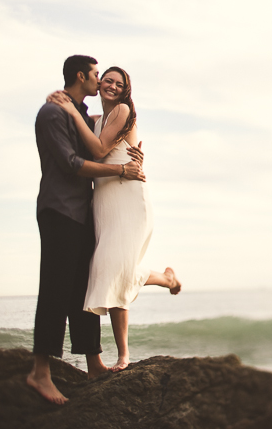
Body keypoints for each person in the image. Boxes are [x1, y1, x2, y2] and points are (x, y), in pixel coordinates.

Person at [27, 55, 146, 405]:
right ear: (81, 76)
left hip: (82, 213)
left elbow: (110, 135)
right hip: (59, 210)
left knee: (83, 288)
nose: (101, 81)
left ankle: (93, 363)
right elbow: (71, 163)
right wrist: (121, 172)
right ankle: (40, 372)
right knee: (55, 289)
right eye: (97, 75)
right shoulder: (52, 113)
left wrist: (133, 157)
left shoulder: (80, 114)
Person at [48, 65, 181, 373]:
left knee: (117, 269)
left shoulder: (121, 111)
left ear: (125, 90)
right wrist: (66, 106)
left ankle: (124, 355)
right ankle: (167, 279)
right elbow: (87, 132)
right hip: (104, 201)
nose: (110, 85)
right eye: (106, 80)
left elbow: (98, 149)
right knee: (115, 269)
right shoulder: (97, 119)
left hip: (127, 197)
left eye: (117, 83)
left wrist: (70, 110)